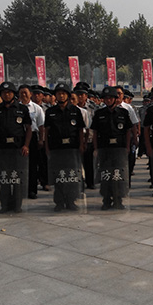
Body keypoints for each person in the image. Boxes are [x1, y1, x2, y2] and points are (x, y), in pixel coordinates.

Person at [0, 82, 31, 213]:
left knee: (17, 179)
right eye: (4, 93)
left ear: (13, 94)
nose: (7, 95)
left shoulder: (22, 109)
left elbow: (28, 129)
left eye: (9, 92)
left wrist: (26, 145)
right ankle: (4, 205)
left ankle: (17, 205)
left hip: (18, 149)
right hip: (2, 149)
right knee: (4, 178)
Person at [45, 83, 86, 211]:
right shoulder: (50, 112)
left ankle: (71, 201)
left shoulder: (75, 111)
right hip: (56, 149)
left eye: (63, 93)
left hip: (72, 148)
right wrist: (47, 147)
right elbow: (46, 131)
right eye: (58, 93)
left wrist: (81, 145)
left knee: (71, 176)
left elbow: (80, 130)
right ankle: (59, 202)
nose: (61, 96)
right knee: (59, 176)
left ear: (68, 95)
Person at [91, 86, 132, 210]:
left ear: (115, 99)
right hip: (104, 149)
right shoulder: (99, 114)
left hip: (119, 149)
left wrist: (127, 147)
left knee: (118, 175)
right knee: (106, 175)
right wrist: (96, 148)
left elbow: (128, 131)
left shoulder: (123, 113)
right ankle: (106, 199)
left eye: (110, 98)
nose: (108, 100)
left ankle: (118, 199)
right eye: (106, 98)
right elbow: (95, 132)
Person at [18, 84, 45, 199]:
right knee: (19, 165)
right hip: (19, 137)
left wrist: (41, 140)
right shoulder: (16, 107)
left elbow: (41, 125)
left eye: (25, 92)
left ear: (30, 94)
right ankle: (20, 190)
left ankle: (32, 190)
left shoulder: (36, 108)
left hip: (33, 137)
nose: (23, 95)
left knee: (32, 165)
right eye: (21, 93)